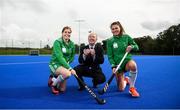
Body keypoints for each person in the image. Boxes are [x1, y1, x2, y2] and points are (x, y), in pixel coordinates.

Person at [107, 21, 140, 97]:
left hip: (127, 62)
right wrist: (113, 66)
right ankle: (126, 80)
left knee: (133, 65)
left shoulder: (126, 37)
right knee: (120, 89)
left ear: (120, 28)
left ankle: (132, 88)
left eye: (116, 28)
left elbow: (137, 46)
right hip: (118, 65)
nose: (114, 30)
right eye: (112, 29)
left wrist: (132, 47)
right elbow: (110, 56)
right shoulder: (110, 41)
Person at [48, 26, 76, 95]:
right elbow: (60, 57)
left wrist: (68, 63)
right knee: (68, 73)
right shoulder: (57, 42)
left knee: (62, 89)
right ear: (62, 33)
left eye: (69, 32)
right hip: (55, 64)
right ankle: (53, 85)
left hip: (64, 65)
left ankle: (53, 79)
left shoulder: (72, 44)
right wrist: (69, 68)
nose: (67, 34)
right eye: (65, 32)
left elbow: (72, 56)